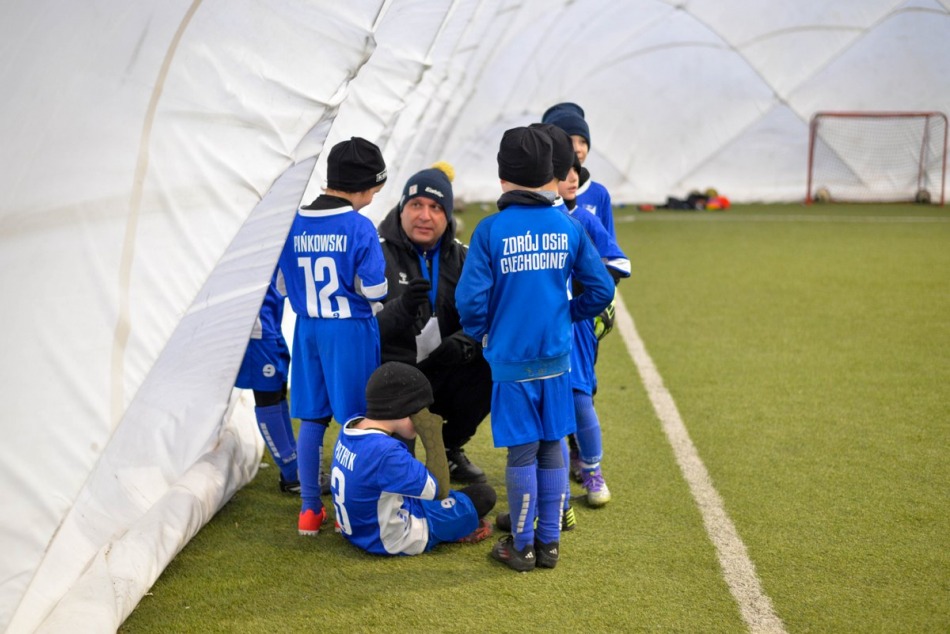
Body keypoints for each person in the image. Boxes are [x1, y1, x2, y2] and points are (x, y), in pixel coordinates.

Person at [456, 126, 614, 572]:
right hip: (558, 361)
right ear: (551, 175)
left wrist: (486, 333)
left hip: (511, 363)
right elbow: (601, 289)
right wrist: (567, 314)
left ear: (503, 178)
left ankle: (521, 545)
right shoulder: (567, 225)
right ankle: (549, 543)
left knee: (522, 452)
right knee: (551, 446)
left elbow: (469, 302)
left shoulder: (490, 231)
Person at [276, 136, 389, 536]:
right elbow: (374, 289)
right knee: (354, 420)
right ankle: (347, 511)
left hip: (307, 328)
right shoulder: (360, 227)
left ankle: (309, 511)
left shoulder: (292, 222)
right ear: (366, 186)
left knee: (311, 419)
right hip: (349, 330)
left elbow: (282, 286)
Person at [375, 162, 492, 485]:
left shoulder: (465, 258)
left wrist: (465, 343)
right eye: (416, 205)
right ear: (401, 208)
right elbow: (363, 329)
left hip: (443, 370)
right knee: (399, 471)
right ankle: (381, 441)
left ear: (448, 215)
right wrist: (399, 311)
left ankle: (450, 445)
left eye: (436, 207)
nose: (424, 216)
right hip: (392, 374)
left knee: (490, 361)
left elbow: (486, 318)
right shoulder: (376, 253)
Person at [330, 362, 496, 555]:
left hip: (359, 528)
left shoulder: (351, 427)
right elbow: (440, 490)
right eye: (422, 409)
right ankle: (453, 530)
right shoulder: (386, 452)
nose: (426, 415)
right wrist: (432, 434)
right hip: (391, 539)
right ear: (403, 408)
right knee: (483, 496)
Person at [557, 152, 630, 506]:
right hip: (535, 328)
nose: (573, 178)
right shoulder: (526, 220)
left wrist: (589, 292)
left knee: (579, 398)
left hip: (575, 326)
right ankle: (553, 485)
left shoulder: (584, 219)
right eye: (564, 173)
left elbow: (618, 261)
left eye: (575, 171)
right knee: (543, 404)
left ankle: (592, 471)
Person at [234, 273, 299, 494]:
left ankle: (295, 464)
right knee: (267, 395)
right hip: (258, 328)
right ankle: (291, 473)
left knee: (278, 390)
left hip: (271, 321)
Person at [542, 102, 616, 239]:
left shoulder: (599, 193)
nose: (577, 149)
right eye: (570, 141)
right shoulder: (538, 193)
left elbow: (608, 242)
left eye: (583, 141)